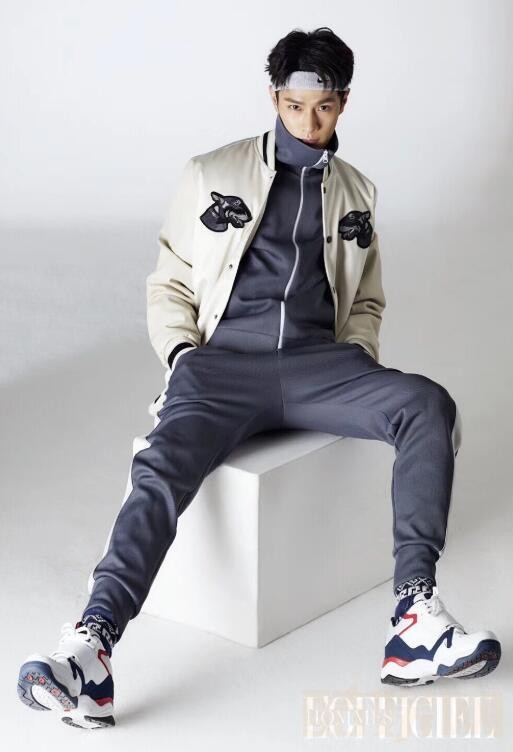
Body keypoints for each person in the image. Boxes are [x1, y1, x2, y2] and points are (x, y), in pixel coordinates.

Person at [17, 26, 501, 730]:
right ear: (275, 98)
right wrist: (183, 357)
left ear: (343, 103)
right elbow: (169, 282)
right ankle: (91, 649)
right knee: (161, 469)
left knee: (427, 405)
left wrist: (355, 361)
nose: (309, 122)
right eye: (296, 106)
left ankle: (414, 622)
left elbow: (365, 299)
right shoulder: (211, 172)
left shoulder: (356, 191)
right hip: (221, 367)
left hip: (319, 364)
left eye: (324, 107)